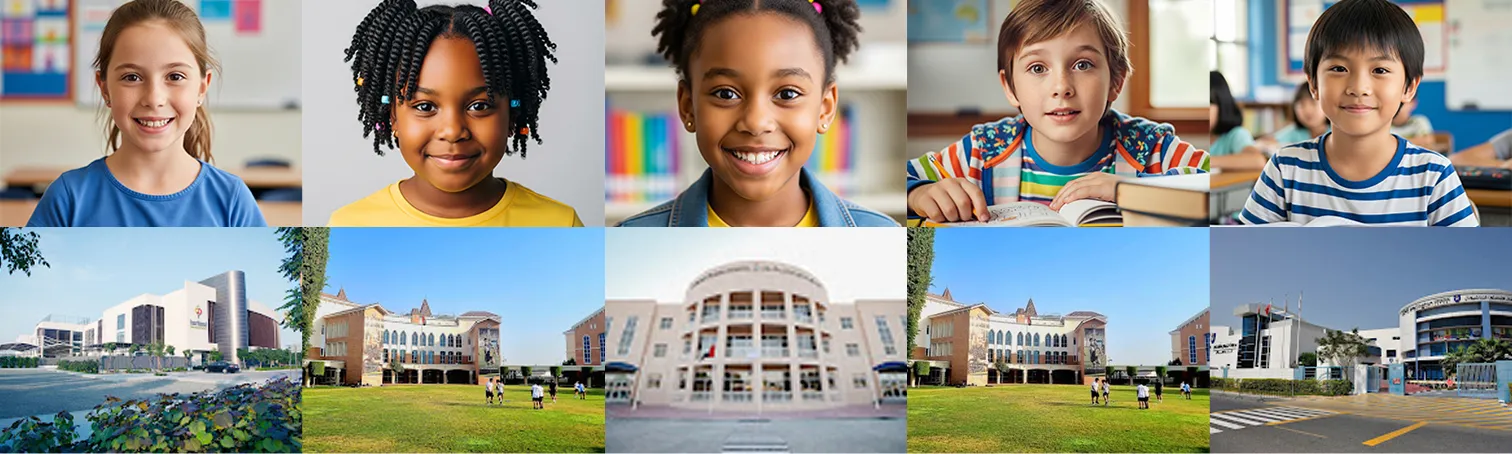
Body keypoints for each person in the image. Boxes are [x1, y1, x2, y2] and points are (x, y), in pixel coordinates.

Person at [904, 0, 1210, 224]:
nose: (1061, 87)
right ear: (1010, 87)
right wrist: (918, 194)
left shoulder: (1151, 147)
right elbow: (904, 178)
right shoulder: (983, 150)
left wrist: (1133, 192)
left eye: (1083, 64)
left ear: (1116, 81)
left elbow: (1216, 186)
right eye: (1038, 68)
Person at [616, 0, 894, 227]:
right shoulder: (627, 242)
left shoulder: (883, 239)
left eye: (787, 94)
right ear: (687, 105)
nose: (756, 122)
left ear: (825, 108)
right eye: (726, 94)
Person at [328, 0, 583, 227]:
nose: (452, 131)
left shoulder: (560, 223)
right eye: (425, 106)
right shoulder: (348, 224)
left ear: (512, 115)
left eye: (480, 106)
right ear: (392, 115)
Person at [27, 0, 264, 227]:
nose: (154, 99)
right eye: (132, 77)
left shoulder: (232, 199)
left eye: (175, 77)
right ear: (105, 88)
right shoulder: (68, 198)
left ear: (202, 87)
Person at [1238, 0, 1476, 226]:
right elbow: (1245, 258)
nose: (1358, 88)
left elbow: (1467, 266)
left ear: (1409, 87)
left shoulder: (1433, 176)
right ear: (1313, 84)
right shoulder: (1285, 169)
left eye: (1380, 70)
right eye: (1339, 68)